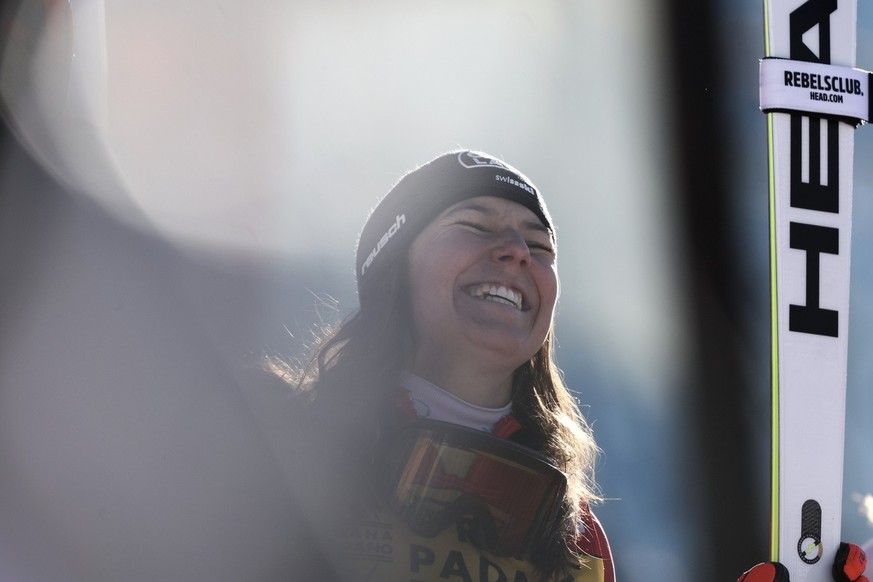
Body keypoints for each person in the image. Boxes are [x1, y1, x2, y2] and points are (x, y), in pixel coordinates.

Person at [271, 150, 614, 581]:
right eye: (476, 226)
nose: (517, 251)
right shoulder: (283, 457)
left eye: (539, 245)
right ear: (395, 269)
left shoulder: (570, 530)